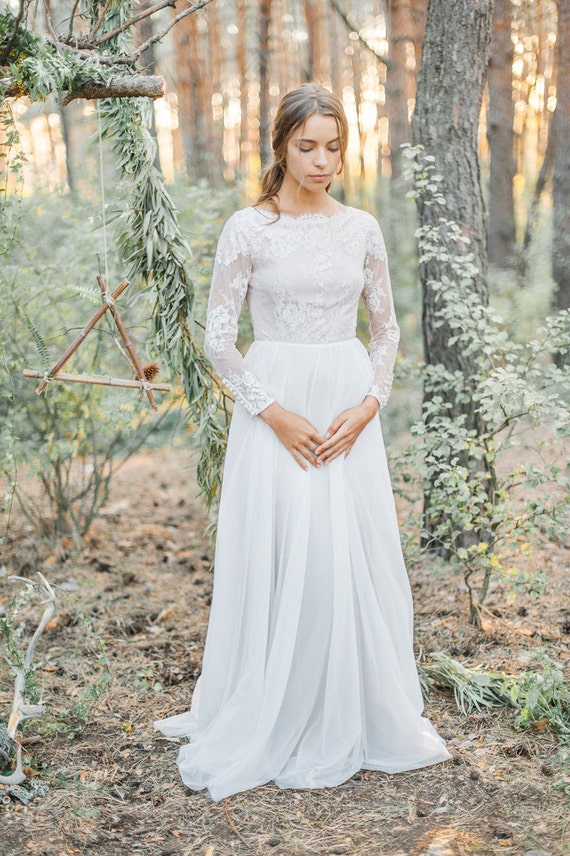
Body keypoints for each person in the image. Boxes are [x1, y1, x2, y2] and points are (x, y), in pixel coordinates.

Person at [154, 83, 451, 800]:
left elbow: (386, 329)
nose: (323, 161)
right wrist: (273, 412)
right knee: (289, 548)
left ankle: (345, 703)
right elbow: (219, 340)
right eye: (308, 146)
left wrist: (371, 402)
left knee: (346, 552)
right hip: (278, 402)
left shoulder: (362, 228)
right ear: (281, 147)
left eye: (334, 146)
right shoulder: (248, 228)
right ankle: (275, 704)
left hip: (348, 403)